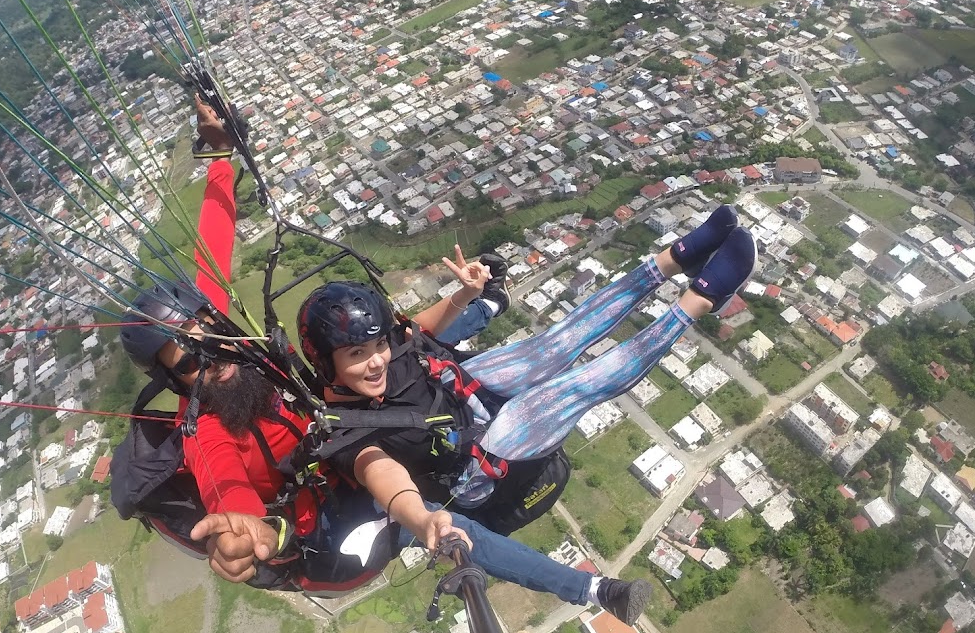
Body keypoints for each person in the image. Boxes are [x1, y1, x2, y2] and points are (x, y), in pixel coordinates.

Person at [118, 97, 654, 621]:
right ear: (174, 379)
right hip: (329, 524)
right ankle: (595, 591)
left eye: (211, 339)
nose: (214, 358)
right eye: (190, 362)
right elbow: (226, 485)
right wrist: (244, 528)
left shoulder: (232, 351)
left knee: (401, 357)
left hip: (341, 426)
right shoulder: (208, 432)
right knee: (437, 523)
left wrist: (217, 156)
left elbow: (211, 245)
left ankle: (482, 302)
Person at [295, 208, 755, 546]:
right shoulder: (348, 434)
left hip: (462, 394)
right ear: (325, 361)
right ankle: (699, 301)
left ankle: (670, 260)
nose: (376, 361)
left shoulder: (381, 348)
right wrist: (421, 520)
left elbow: (416, 331)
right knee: (574, 387)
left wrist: (464, 294)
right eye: (357, 354)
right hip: (479, 460)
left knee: (555, 344)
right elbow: (385, 478)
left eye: (377, 347)